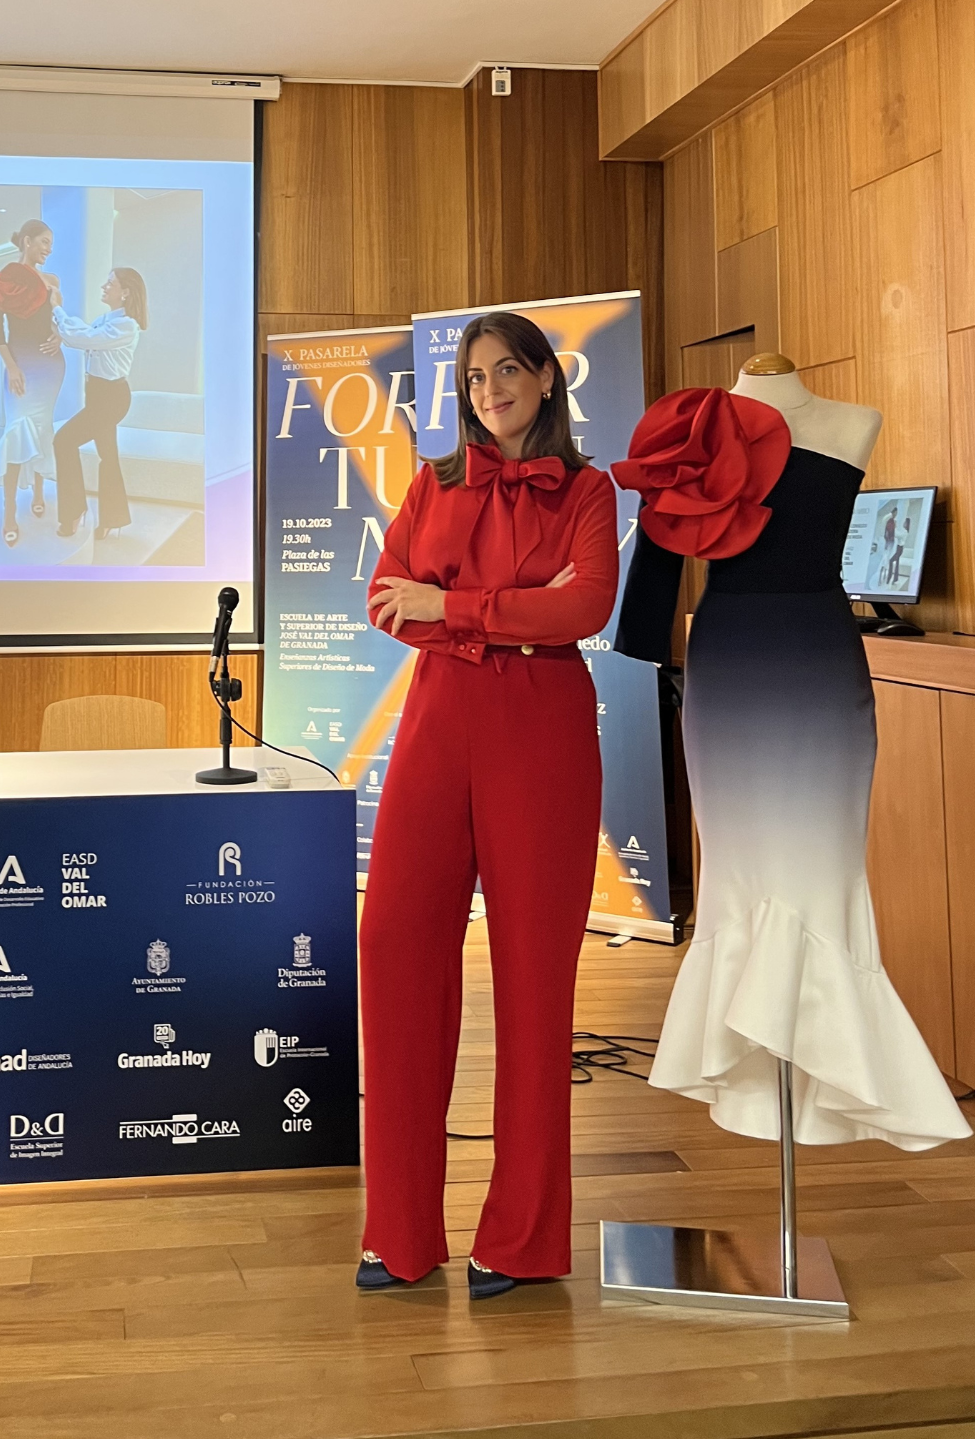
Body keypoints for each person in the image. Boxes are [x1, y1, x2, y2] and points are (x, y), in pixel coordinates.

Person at [357, 311, 619, 1300]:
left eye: (509, 369)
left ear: (547, 380)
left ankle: (522, 1239)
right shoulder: (437, 482)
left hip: (541, 743)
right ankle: (400, 1232)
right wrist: (506, 619)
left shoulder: (588, 490)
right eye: (474, 378)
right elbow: (386, 597)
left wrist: (454, 607)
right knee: (393, 946)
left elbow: (586, 606)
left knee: (535, 979)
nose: (491, 388)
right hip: (438, 729)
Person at [49, 268, 148, 540]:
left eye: (110, 283)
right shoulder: (106, 319)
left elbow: (83, 339)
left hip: (112, 399)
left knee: (63, 441)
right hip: (97, 395)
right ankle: (111, 519)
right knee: (108, 455)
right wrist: (62, 330)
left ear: (125, 292)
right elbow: (81, 332)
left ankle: (72, 513)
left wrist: (57, 309)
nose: (104, 286)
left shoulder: (126, 325)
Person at [0, 219, 65, 547]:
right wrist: (12, 368)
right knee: (17, 432)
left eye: (51, 244)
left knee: (43, 430)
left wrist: (59, 337)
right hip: (18, 366)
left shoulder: (53, 280)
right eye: (44, 242)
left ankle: (39, 490)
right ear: (27, 241)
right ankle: (8, 513)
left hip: (50, 367)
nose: (49, 249)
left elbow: (61, 320)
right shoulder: (0, 280)